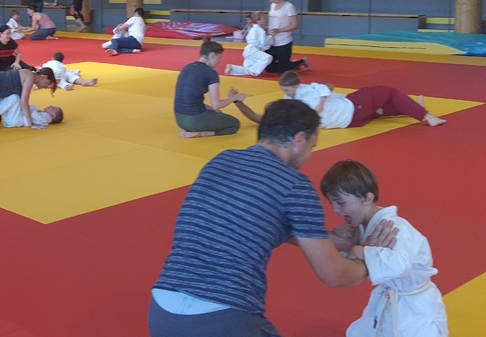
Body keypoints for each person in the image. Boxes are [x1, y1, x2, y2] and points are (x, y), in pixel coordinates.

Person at [149, 100, 400, 337]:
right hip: (222, 317)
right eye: (312, 147)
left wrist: (336, 240)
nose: (309, 155)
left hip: (162, 310)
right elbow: (335, 275)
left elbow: (258, 223)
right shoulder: (294, 186)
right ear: (299, 139)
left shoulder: (220, 161)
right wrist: (369, 255)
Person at [320, 160, 448, 337]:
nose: (334, 209)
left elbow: (399, 265)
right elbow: (353, 260)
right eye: (331, 203)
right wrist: (353, 246)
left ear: (367, 198)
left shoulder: (393, 227)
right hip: (393, 297)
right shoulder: (364, 227)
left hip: (415, 306)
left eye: (340, 203)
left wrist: (361, 251)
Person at [236, 72, 446, 129]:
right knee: (388, 92)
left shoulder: (290, 114)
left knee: (380, 110)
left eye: (287, 90)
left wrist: (237, 101)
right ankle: (426, 116)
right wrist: (319, 98)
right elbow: (329, 86)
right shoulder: (303, 98)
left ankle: (415, 108)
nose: (285, 94)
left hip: (351, 119)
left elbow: (256, 118)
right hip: (351, 109)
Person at [173, 37, 248, 138]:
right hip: (194, 121)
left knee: (216, 113)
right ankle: (202, 133)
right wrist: (234, 97)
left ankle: (194, 129)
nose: (219, 62)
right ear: (214, 55)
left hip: (179, 120)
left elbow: (190, 98)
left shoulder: (187, 67)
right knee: (234, 124)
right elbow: (217, 105)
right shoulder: (210, 73)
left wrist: (211, 109)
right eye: (219, 58)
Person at [265, 0, 307, 74]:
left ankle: (301, 61)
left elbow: (295, 25)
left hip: (284, 41)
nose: (270, 1)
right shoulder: (272, 5)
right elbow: (271, 22)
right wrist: (268, 30)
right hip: (272, 41)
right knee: (268, 67)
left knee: (283, 70)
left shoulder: (289, 7)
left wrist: (279, 30)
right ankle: (287, 64)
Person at [225, 11, 273, 77]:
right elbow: (264, 44)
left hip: (248, 50)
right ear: (258, 20)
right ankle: (254, 71)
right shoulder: (260, 30)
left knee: (247, 70)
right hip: (253, 50)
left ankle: (232, 68)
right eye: (263, 19)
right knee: (268, 58)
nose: (265, 20)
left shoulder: (253, 29)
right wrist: (270, 36)